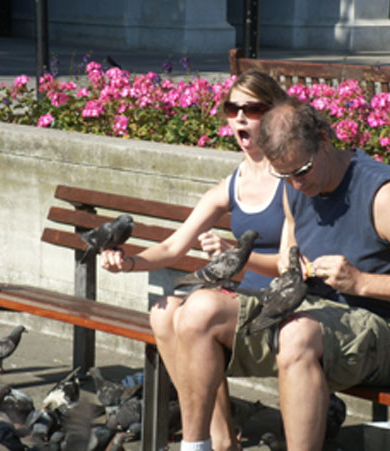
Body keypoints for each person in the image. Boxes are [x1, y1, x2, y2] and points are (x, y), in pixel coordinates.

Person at [169, 96, 390, 450]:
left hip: (384, 331)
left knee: (297, 335)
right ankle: (198, 447)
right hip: (309, 315)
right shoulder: (292, 186)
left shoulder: (386, 195)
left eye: (302, 170)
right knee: (196, 310)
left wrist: (361, 281)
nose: (296, 184)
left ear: (325, 139)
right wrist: (289, 264)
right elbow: (291, 249)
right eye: (284, 175)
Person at [100, 70, 288, 450]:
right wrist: (129, 261)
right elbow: (172, 248)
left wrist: (240, 258)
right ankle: (218, 438)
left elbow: (289, 264)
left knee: (199, 311)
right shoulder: (233, 183)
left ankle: (197, 442)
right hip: (243, 300)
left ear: (274, 114)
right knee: (163, 310)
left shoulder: (291, 176)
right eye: (232, 107)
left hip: (282, 303)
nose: (239, 116)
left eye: (252, 108)